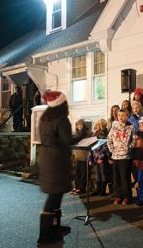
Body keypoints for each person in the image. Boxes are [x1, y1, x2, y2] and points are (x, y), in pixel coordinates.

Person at [37, 90, 75, 245]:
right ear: (62, 103)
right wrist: (83, 134)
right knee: (54, 197)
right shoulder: (61, 119)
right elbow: (67, 140)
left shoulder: (45, 117)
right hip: (57, 160)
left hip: (48, 158)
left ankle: (55, 227)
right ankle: (45, 234)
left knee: (56, 194)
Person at [107, 109, 136, 205]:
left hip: (126, 157)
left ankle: (127, 197)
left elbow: (134, 140)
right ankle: (118, 196)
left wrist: (129, 148)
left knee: (125, 178)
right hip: (116, 156)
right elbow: (109, 140)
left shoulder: (131, 127)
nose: (121, 117)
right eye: (119, 115)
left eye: (123, 115)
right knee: (116, 178)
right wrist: (112, 150)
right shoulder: (114, 128)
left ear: (127, 116)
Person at [71, 119, 92, 195]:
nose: (79, 127)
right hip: (77, 156)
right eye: (78, 125)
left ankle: (81, 188)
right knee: (77, 173)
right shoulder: (76, 134)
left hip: (84, 156)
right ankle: (76, 187)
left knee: (83, 173)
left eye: (81, 125)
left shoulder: (87, 134)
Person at [91, 119, 111, 196]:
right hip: (95, 157)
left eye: (99, 125)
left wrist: (101, 157)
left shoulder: (106, 134)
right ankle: (98, 189)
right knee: (97, 174)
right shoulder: (94, 134)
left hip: (102, 158)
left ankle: (102, 191)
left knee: (103, 174)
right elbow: (91, 146)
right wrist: (91, 157)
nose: (97, 126)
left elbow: (106, 147)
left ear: (102, 125)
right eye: (97, 124)